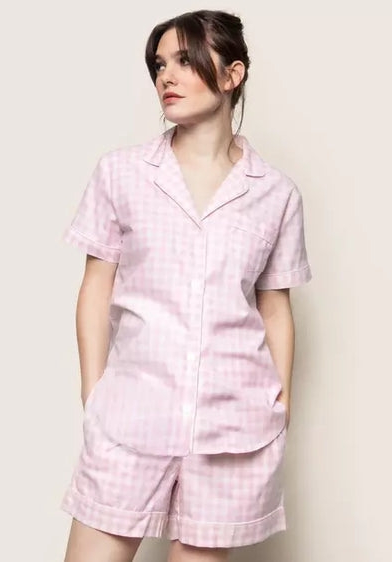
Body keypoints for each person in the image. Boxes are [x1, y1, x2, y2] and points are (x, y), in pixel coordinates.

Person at [60, 9, 312, 562]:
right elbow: (95, 289)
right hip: (131, 415)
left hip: (234, 427)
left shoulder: (276, 193)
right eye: (158, 65)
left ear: (232, 75)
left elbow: (275, 306)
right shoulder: (120, 174)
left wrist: (281, 405)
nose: (166, 77)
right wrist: (94, 393)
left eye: (184, 60)